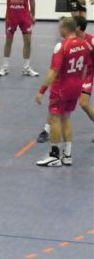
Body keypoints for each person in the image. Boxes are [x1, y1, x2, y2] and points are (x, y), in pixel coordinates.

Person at [35, 18, 92, 166]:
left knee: (54, 119)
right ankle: (67, 155)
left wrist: (42, 90)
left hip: (61, 88)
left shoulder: (62, 46)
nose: (58, 30)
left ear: (65, 29)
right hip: (76, 86)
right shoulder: (84, 44)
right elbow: (86, 67)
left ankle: (54, 156)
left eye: (60, 27)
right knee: (66, 118)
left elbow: (53, 71)